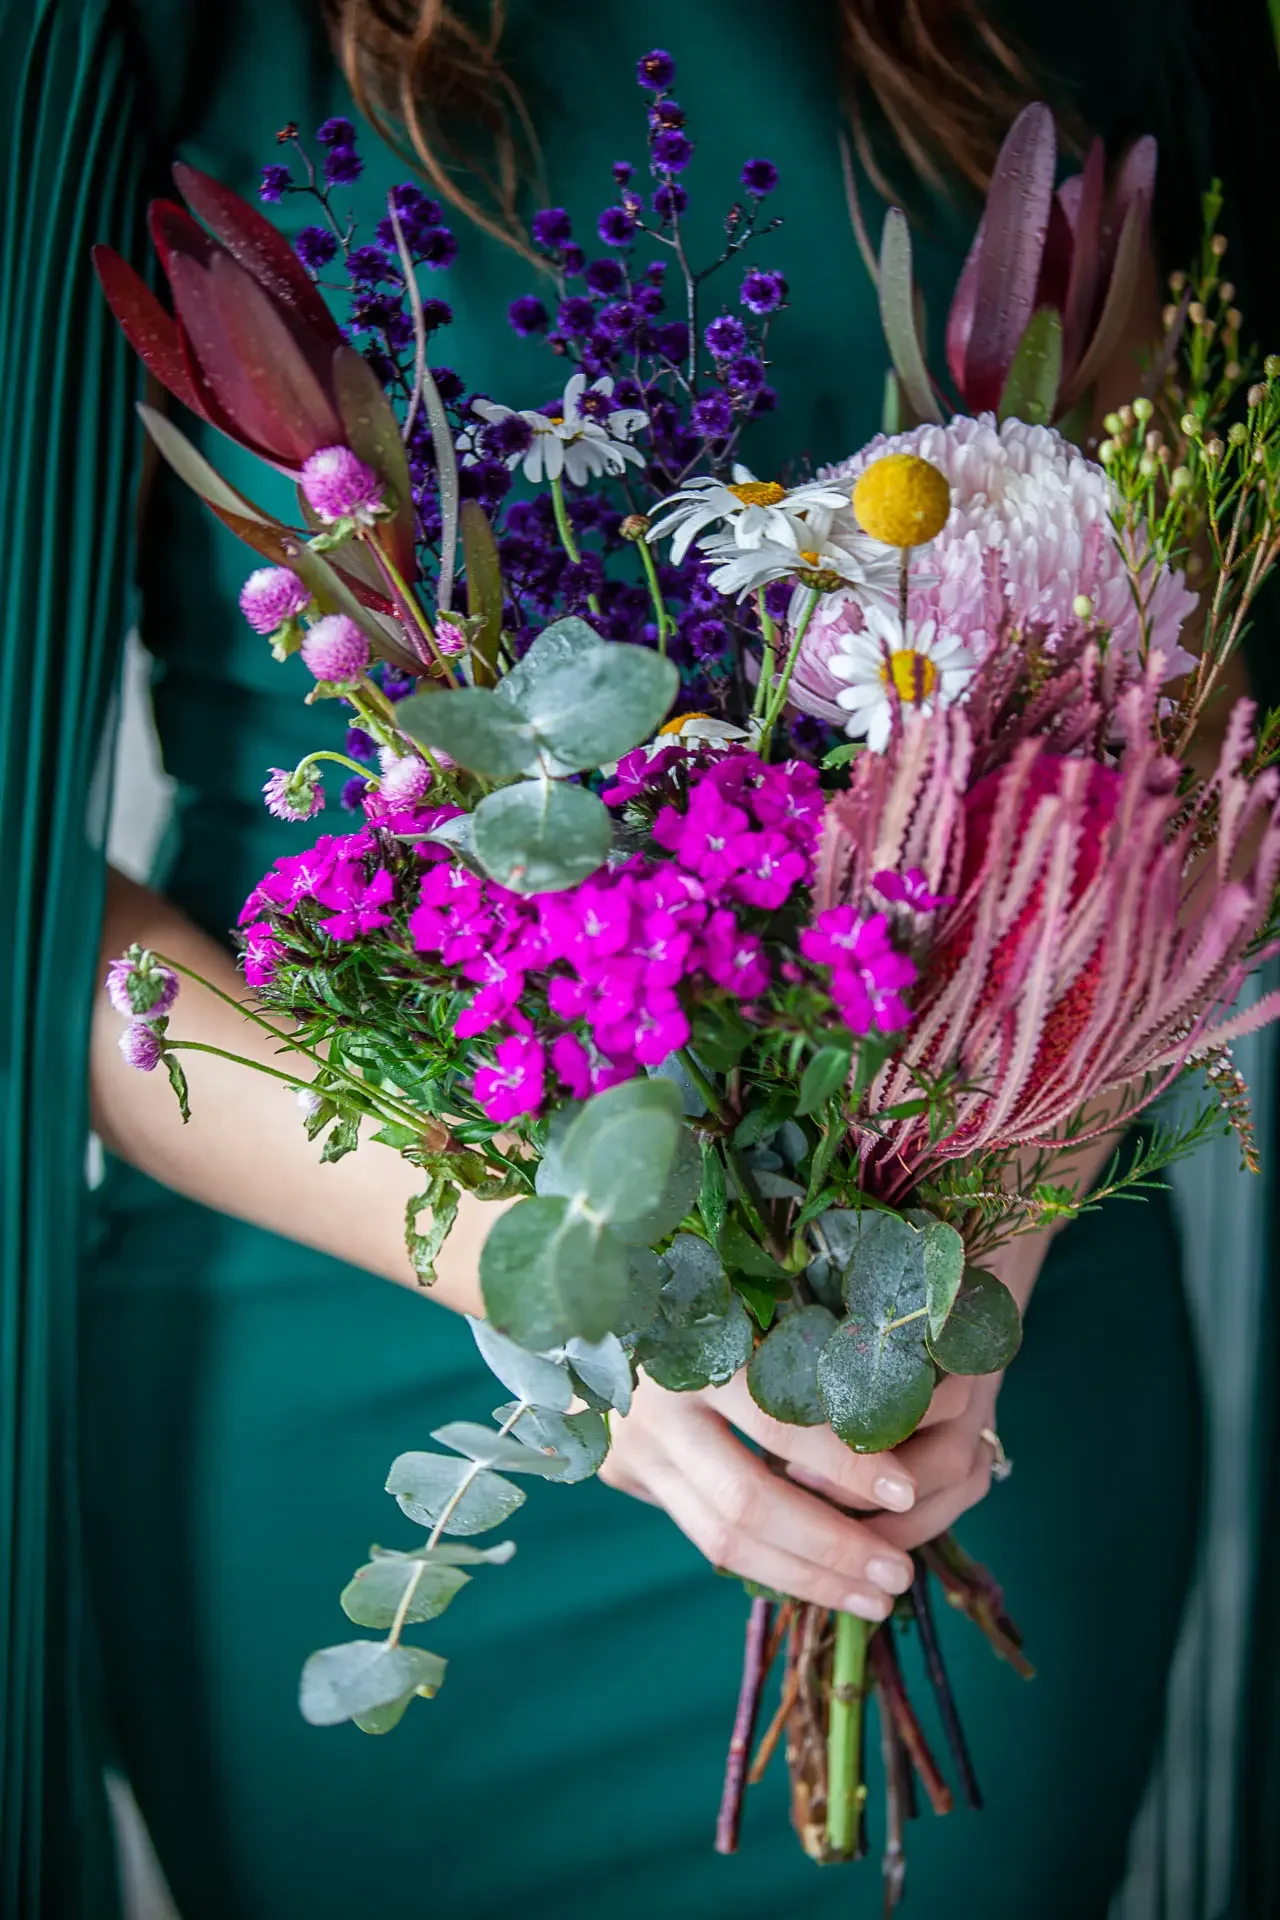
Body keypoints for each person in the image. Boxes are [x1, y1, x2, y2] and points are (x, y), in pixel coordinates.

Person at [2, 0, 1277, 1914]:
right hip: (349, 1340)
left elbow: (1184, 713)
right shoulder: (132, 36)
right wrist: (555, 1292)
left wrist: (965, 1247)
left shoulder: (1064, 18)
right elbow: (31, 918)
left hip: (971, 1407)